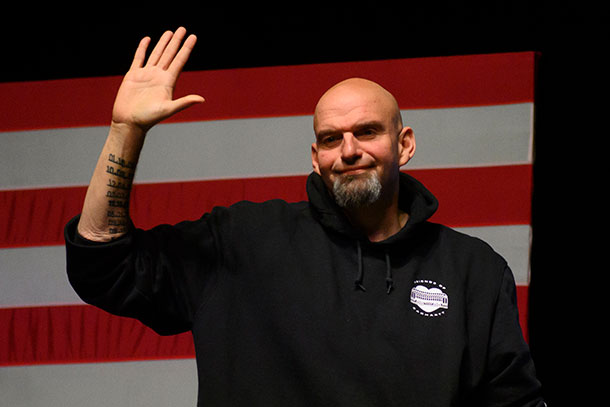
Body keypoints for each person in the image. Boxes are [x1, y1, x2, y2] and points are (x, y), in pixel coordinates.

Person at [64, 27, 545, 406]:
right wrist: (125, 130)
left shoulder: (473, 271)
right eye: (332, 139)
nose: (350, 150)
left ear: (405, 145)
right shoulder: (243, 242)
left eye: (368, 131)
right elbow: (103, 266)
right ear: (316, 157)